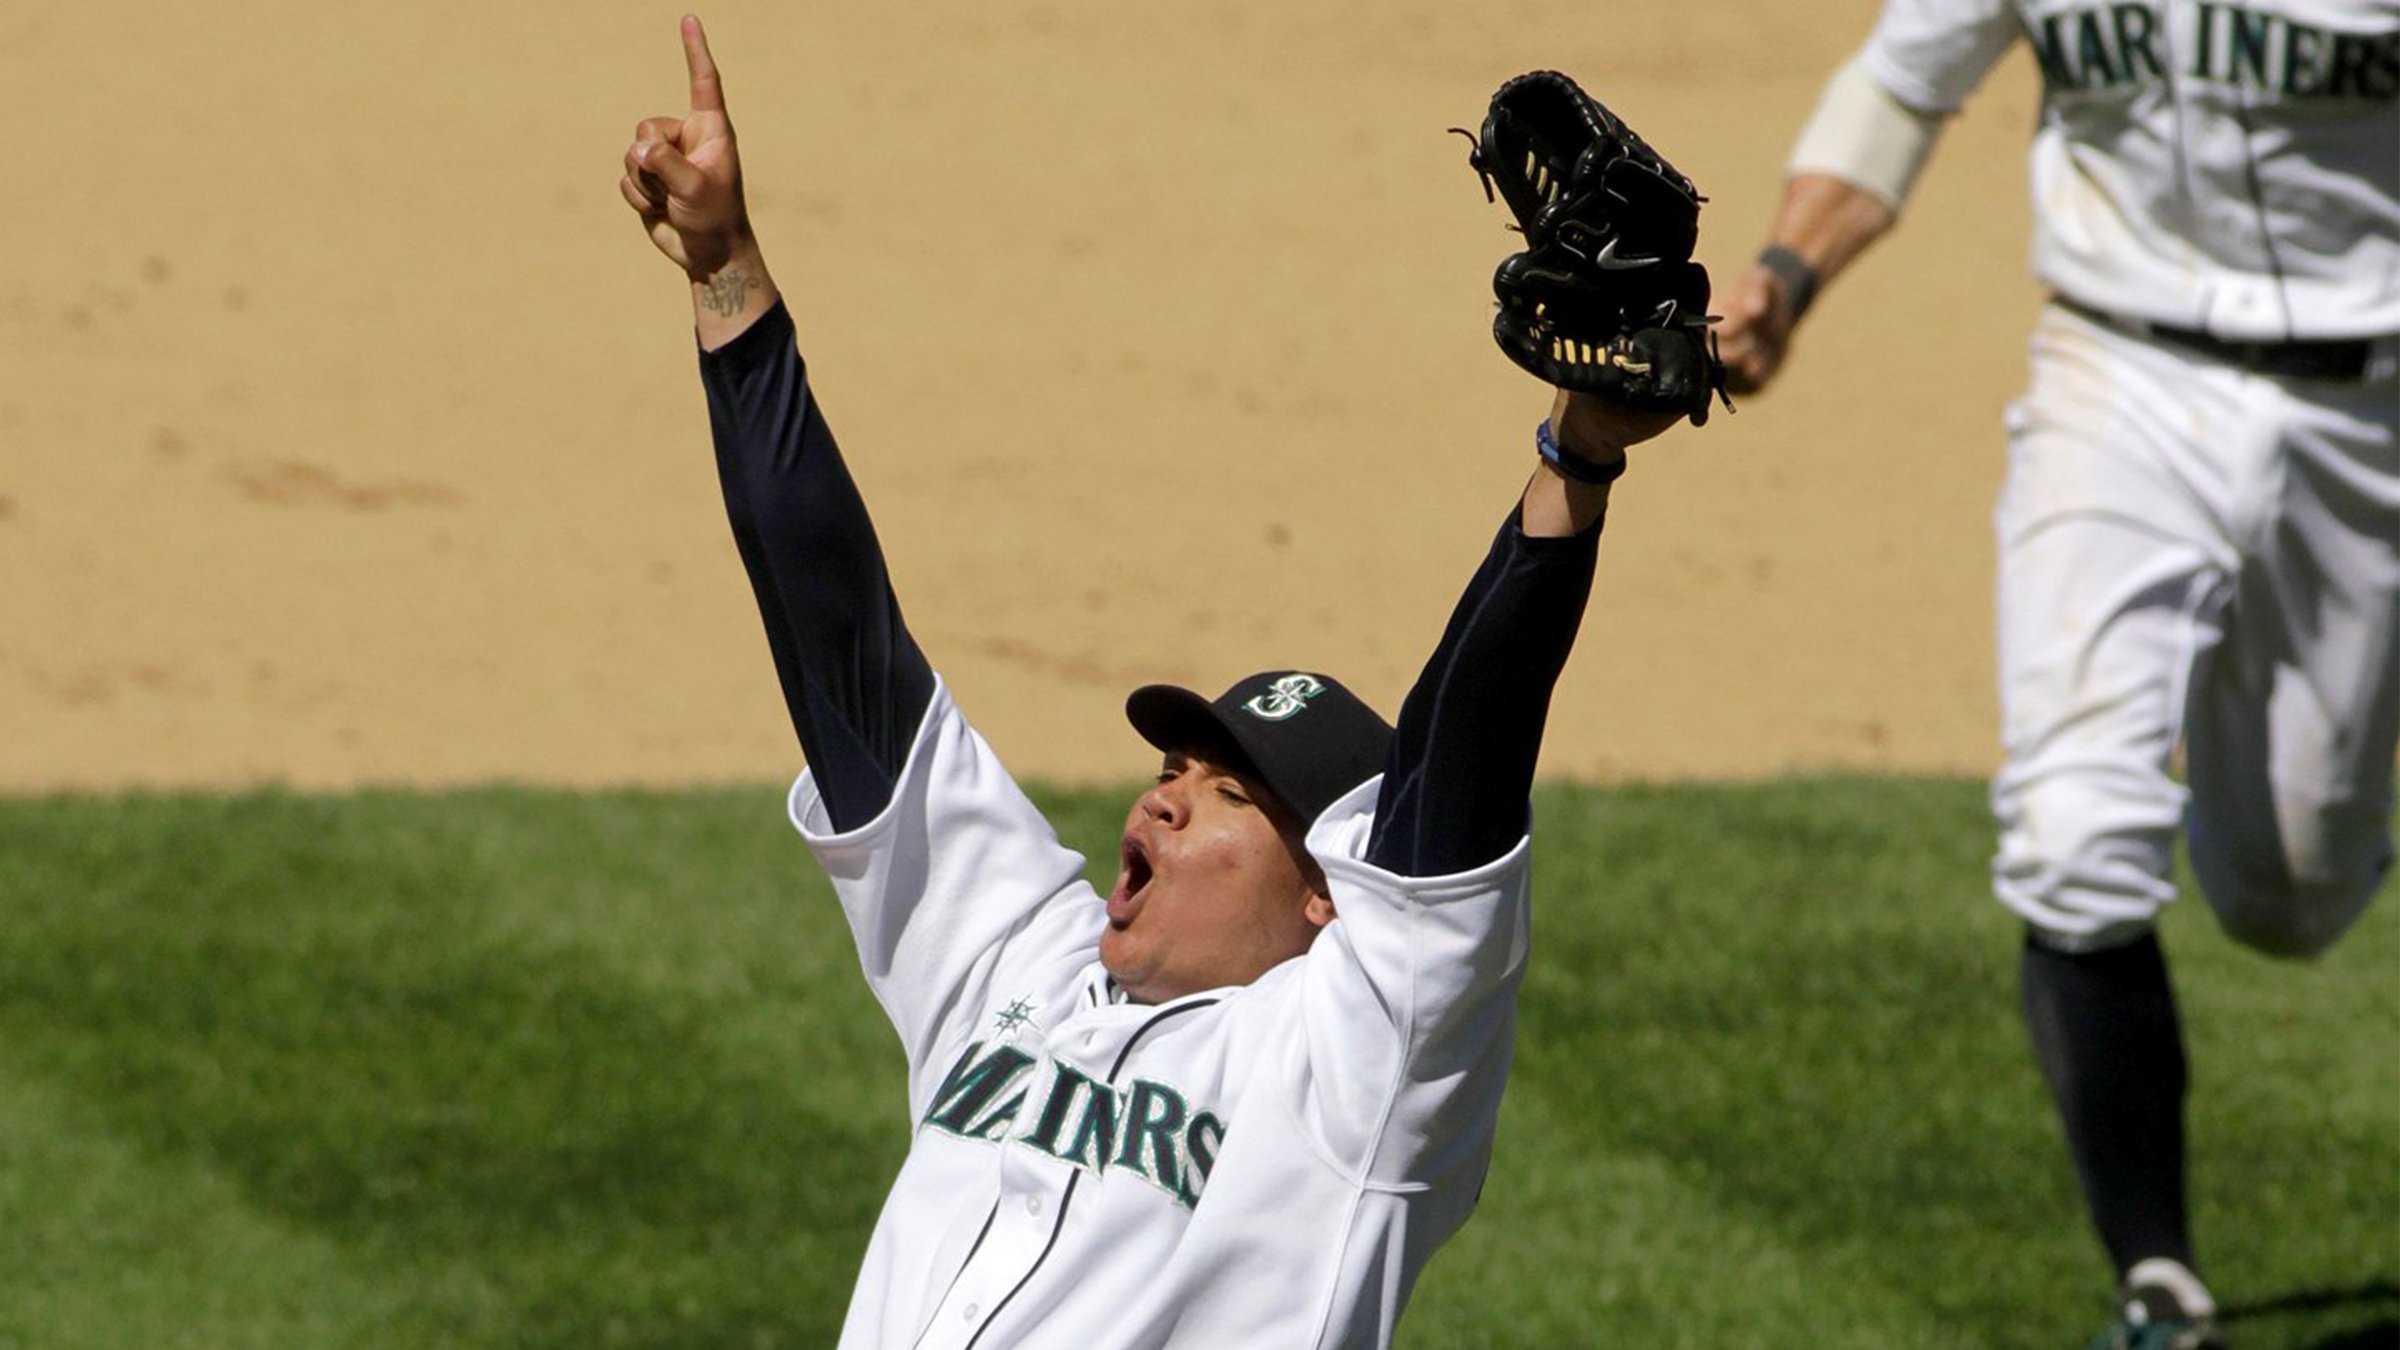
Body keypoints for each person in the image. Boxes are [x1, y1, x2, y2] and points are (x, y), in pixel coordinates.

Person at [621, 17, 1686, 1347]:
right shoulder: (1014, 960)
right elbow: (844, 642)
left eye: (1234, 793)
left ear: (1328, 896)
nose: (1167, 799)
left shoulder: (1353, 1070)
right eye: (1177, 768)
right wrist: (725, 271)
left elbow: (1462, 770)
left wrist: (1576, 459)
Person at [1713, 3, 2399, 1346]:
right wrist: (1784, 275)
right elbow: (1903, 83)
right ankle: (2161, 1288)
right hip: (2119, 378)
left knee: (2290, 895)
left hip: (2368, 412)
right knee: (2072, 831)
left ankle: (2275, 767)